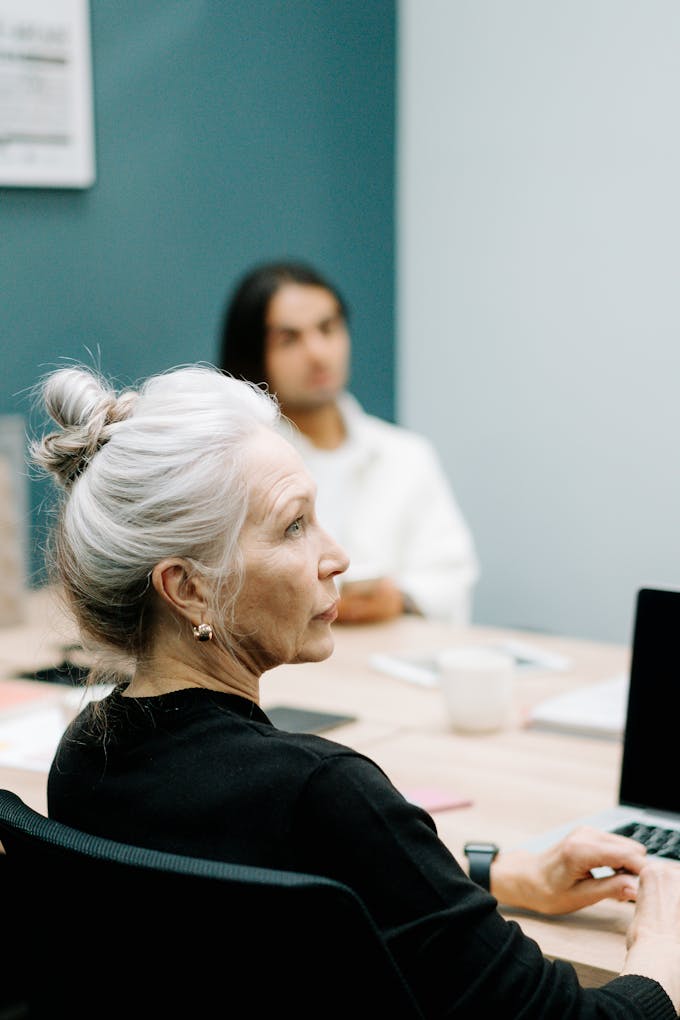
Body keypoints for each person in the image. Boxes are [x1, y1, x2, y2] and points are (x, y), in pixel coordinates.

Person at [32, 361, 680, 1019]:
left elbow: (267, 879)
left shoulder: (85, 756)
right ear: (188, 588)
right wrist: (662, 946)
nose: (338, 556)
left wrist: (496, 873)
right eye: (294, 525)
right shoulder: (321, 792)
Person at [218, 260, 479, 625]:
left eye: (328, 328)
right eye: (289, 339)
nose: (317, 352)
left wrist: (399, 599)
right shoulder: (235, 466)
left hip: (393, 660)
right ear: (254, 354)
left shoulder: (406, 455)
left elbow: (451, 575)